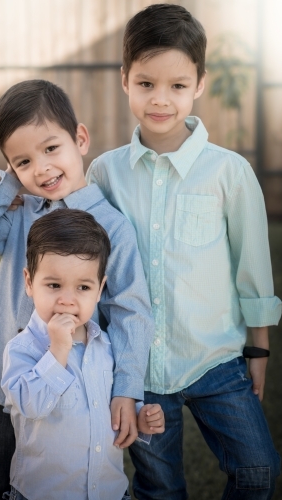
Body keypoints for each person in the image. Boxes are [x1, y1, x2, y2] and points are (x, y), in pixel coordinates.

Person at [86, 3, 282, 499]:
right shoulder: (105, 174)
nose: (161, 99)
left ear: (199, 83)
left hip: (217, 360)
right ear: (125, 79)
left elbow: (252, 269)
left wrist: (258, 350)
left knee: (258, 470)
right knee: (159, 489)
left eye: (177, 86)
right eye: (146, 83)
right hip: (142, 371)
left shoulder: (229, 172)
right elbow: (92, 268)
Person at [0, 79, 155, 500]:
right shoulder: (21, 215)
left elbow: (130, 310)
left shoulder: (113, 226)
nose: (41, 169)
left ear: (80, 138)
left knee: (56, 479)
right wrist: (11, 182)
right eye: (23, 161)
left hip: (70, 386)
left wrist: (126, 388)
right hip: (7, 380)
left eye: (50, 149)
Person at [1, 208, 165, 500]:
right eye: (53, 285)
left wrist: (140, 419)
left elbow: (100, 406)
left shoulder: (105, 346)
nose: (67, 300)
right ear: (29, 282)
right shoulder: (22, 349)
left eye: (83, 287)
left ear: (100, 290)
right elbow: (32, 406)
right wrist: (58, 350)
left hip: (108, 491)